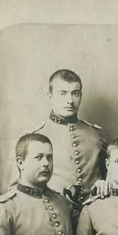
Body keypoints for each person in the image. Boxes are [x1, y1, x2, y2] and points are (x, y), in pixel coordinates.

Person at [8, 69, 106, 205]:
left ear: (81, 96)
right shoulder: (35, 136)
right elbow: (15, 189)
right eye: (63, 94)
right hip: (53, 215)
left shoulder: (95, 134)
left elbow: (111, 178)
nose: (70, 101)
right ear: (50, 97)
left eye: (75, 94)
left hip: (93, 212)